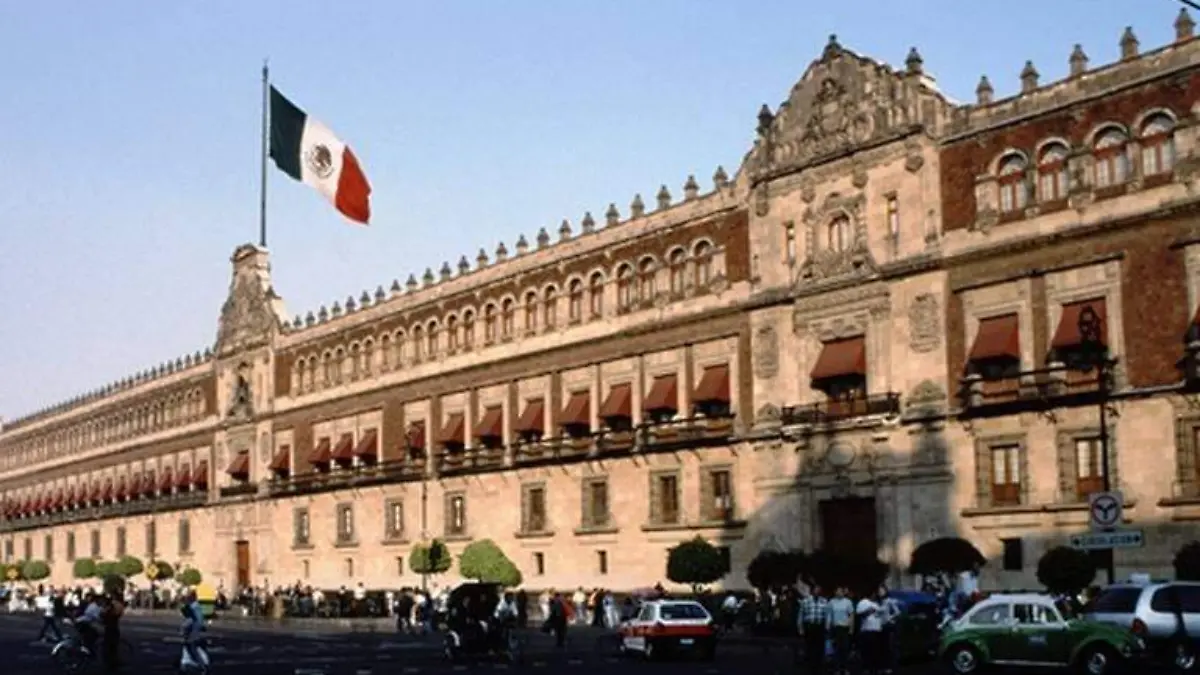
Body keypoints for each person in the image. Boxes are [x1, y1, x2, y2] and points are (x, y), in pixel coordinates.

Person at [797, 586, 828, 674]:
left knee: (820, 648)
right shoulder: (805, 601)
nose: (817, 592)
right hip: (809, 626)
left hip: (820, 627)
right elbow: (800, 615)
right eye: (815, 590)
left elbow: (827, 616)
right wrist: (800, 628)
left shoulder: (824, 601)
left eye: (819, 591)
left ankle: (818, 667)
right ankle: (810, 668)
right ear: (812, 591)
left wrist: (827, 627)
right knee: (809, 647)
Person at [101, 592, 125, 673]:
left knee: (108, 646)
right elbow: (120, 613)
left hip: (109, 628)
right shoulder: (119, 605)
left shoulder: (111, 606)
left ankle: (109, 662)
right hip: (114, 627)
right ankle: (113, 662)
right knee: (113, 646)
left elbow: (103, 614)